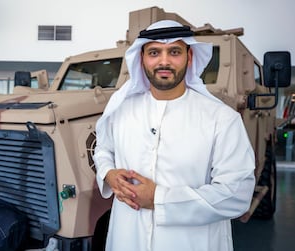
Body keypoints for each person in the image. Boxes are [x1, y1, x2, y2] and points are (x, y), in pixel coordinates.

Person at [93, 20, 256, 251]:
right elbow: (102, 149)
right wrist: (108, 173)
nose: (164, 61)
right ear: (142, 59)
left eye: (175, 52)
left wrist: (159, 199)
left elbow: (236, 194)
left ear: (190, 58)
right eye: (154, 52)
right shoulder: (120, 110)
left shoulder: (221, 118)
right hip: (128, 239)